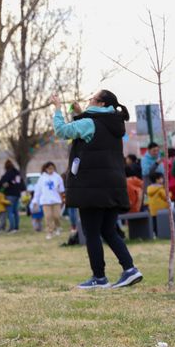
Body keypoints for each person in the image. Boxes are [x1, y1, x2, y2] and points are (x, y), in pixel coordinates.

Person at [52, 90, 143, 289]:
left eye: (92, 99)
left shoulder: (90, 123)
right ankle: (130, 269)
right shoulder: (114, 124)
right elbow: (93, 133)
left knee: (91, 232)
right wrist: (80, 113)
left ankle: (99, 277)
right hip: (112, 186)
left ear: (101, 104)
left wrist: (58, 109)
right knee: (109, 230)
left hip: (92, 186)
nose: (89, 100)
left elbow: (61, 131)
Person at [32, 162, 65, 240]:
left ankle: (58, 227)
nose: (51, 170)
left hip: (56, 200)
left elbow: (61, 189)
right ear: (46, 169)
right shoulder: (42, 178)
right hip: (45, 201)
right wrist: (35, 200)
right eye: (49, 168)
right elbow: (38, 190)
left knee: (56, 216)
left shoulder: (57, 177)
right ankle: (50, 232)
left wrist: (63, 198)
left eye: (52, 168)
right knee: (48, 217)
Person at [0, 160, 24, 233]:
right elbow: (21, 183)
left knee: (10, 212)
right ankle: (16, 227)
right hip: (17, 194)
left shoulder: (7, 174)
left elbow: (1, 184)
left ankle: (11, 227)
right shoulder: (17, 173)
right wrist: (22, 190)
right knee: (16, 212)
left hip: (9, 194)